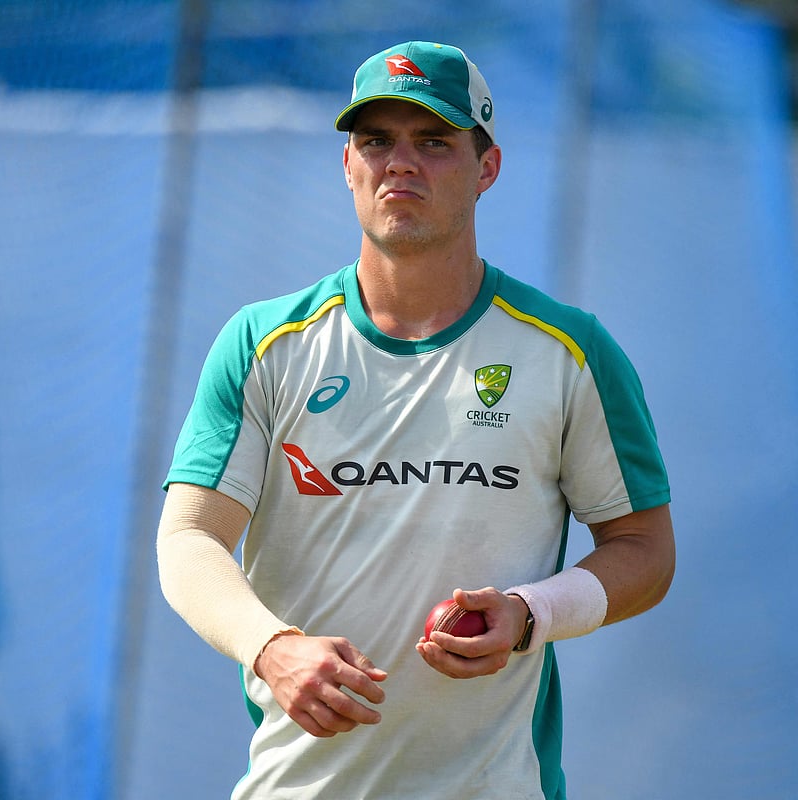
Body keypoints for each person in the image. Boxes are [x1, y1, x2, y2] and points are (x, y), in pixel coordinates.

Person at [156, 41, 674, 799]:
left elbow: (645, 551)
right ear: (348, 166)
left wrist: (531, 612)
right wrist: (270, 647)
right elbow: (191, 537)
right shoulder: (263, 344)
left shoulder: (572, 351)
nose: (401, 164)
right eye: (376, 142)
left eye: (433, 142)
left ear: (487, 167)